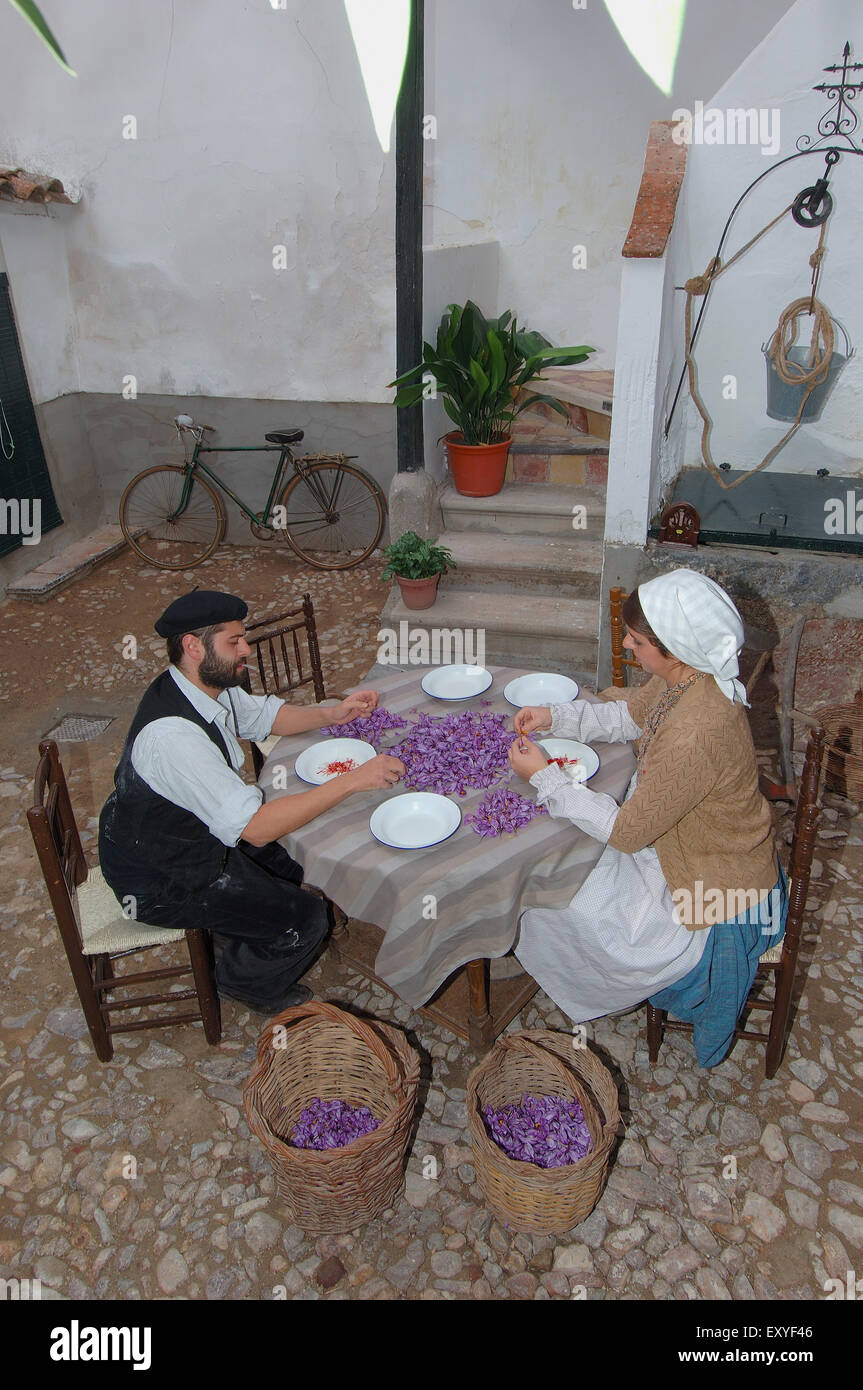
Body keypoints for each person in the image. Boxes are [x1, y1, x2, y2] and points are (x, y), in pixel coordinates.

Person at [507, 568, 786, 1068]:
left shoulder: (697, 728)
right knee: (563, 864)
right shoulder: (685, 678)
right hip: (677, 843)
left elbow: (628, 833)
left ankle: (575, 973)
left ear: (673, 648)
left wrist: (547, 778)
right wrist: (557, 716)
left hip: (708, 878)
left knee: (562, 898)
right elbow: (629, 717)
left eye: (635, 642)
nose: (630, 649)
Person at [98, 590, 405, 1013]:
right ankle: (241, 981)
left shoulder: (203, 684)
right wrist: (353, 780)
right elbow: (255, 827)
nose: (246, 649)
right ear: (193, 646)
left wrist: (333, 714)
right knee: (307, 918)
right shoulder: (173, 738)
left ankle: (241, 920)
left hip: (193, 834)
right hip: (161, 877)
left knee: (302, 857)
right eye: (234, 641)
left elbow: (264, 716)